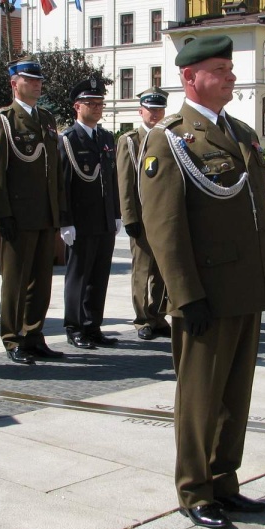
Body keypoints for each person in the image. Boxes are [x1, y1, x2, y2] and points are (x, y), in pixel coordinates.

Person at [138, 35, 265, 529]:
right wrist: (185, 295)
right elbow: (164, 227)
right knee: (200, 399)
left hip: (244, 288)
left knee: (234, 397)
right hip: (206, 294)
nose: (231, 76)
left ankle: (224, 480)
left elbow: (253, 214)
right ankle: (195, 489)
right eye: (220, 69)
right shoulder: (170, 138)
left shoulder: (240, 133)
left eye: (230, 68)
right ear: (190, 78)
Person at [0, 57, 66, 365]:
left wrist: (59, 211)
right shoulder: (3, 120)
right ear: (13, 83)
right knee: (16, 280)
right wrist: (1, 213)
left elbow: (54, 171)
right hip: (18, 215)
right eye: (30, 79)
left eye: (39, 80)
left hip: (44, 213)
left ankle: (34, 334)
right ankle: (13, 337)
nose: (37, 84)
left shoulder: (46, 118)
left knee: (41, 280)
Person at [59, 77, 120, 350]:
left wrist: (116, 213)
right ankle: (74, 327)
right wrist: (65, 221)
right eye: (91, 103)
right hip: (81, 222)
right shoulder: (69, 140)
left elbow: (112, 178)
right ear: (77, 106)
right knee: (78, 276)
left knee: (99, 277)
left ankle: (93, 326)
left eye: (100, 103)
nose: (97, 108)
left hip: (104, 219)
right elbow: (62, 185)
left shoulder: (106, 138)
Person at [116, 86, 172, 341]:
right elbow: (125, 182)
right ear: (141, 111)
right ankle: (142, 320)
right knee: (142, 271)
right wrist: (129, 217)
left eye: (159, 109)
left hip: (165, 217)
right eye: (151, 109)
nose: (156, 113)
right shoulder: (130, 140)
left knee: (163, 271)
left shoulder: (170, 136)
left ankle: (158, 315)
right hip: (141, 217)